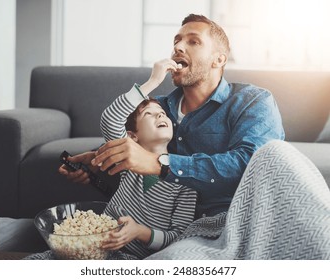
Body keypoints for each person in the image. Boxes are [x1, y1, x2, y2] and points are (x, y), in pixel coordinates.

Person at [59, 14, 284, 219]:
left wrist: (161, 164)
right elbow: (131, 142)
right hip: (163, 227)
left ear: (219, 60)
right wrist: (100, 162)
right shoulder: (160, 107)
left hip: (230, 219)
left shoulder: (253, 101)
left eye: (193, 41)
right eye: (176, 41)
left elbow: (252, 164)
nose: (178, 47)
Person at [100, 84, 197, 259]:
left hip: (138, 258)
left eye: (162, 113)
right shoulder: (128, 162)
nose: (160, 114)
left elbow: (178, 238)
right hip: (98, 244)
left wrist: (139, 232)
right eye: (148, 114)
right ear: (132, 137)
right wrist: (154, 80)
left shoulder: (185, 181)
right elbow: (110, 119)